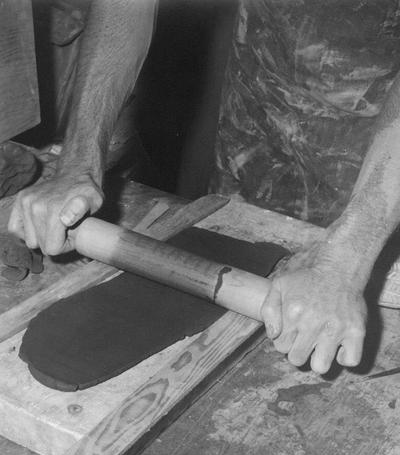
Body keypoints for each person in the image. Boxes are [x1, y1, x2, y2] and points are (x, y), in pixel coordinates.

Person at [7, 0, 400, 376]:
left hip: (378, 159)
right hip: (260, 97)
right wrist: (77, 162)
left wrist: (346, 258)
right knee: (233, 241)